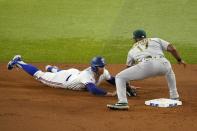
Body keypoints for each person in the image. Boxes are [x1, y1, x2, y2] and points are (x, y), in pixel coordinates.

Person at [107, 29, 186, 110]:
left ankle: (122, 102)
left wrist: (127, 85)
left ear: (135, 39)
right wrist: (179, 60)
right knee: (169, 71)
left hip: (147, 66)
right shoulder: (156, 40)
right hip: (164, 63)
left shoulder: (132, 50)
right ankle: (174, 96)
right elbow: (173, 49)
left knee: (120, 77)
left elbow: (128, 68)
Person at [7, 55, 136, 97]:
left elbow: (112, 80)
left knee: (63, 72)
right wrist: (109, 94)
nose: (104, 68)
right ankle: (18, 61)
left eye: (103, 65)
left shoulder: (104, 72)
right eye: (101, 66)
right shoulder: (87, 75)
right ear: (95, 67)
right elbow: (93, 90)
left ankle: (52, 69)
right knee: (39, 75)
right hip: (64, 80)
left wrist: (124, 84)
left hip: (74, 73)